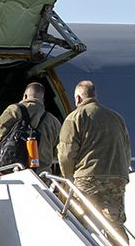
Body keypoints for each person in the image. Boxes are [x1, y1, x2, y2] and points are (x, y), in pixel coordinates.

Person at [56, 80, 131, 230]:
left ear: (78, 99)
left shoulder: (75, 117)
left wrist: (68, 177)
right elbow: (126, 150)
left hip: (87, 178)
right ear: (94, 95)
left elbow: (66, 154)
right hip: (117, 178)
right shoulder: (116, 118)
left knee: (75, 218)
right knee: (114, 224)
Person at [0, 82, 60, 170]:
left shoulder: (15, 110)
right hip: (41, 174)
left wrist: (3, 146)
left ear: (25, 96)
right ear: (42, 100)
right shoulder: (54, 122)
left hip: (15, 170)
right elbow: (59, 150)